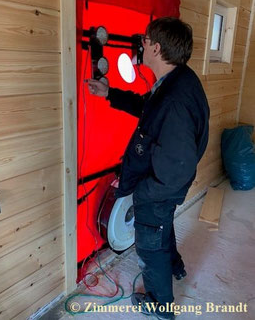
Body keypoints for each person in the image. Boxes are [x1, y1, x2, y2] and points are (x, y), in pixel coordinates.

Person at [87, 17, 210, 319]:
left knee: (150, 245)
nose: (141, 44)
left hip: (159, 188)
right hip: (163, 187)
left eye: (144, 39)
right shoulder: (176, 80)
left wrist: (143, 191)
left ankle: (160, 305)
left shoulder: (175, 101)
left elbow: (176, 167)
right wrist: (110, 94)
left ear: (155, 47)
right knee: (161, 227)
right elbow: (149, 107)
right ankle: (176, 267)